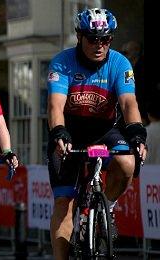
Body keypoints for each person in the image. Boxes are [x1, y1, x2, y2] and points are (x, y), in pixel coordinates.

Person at [46, 8, 147, 260]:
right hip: (69, 131)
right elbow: (55, 106)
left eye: (106, 39)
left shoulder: (119, 63)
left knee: (127, 162)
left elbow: (128, 104)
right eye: (93, 38)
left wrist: (137, 134)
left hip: (104, 131)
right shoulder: (62, 62)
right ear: (79, 36)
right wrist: (59, 132)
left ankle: (107, 206)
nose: (100, 45)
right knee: (63, 203)